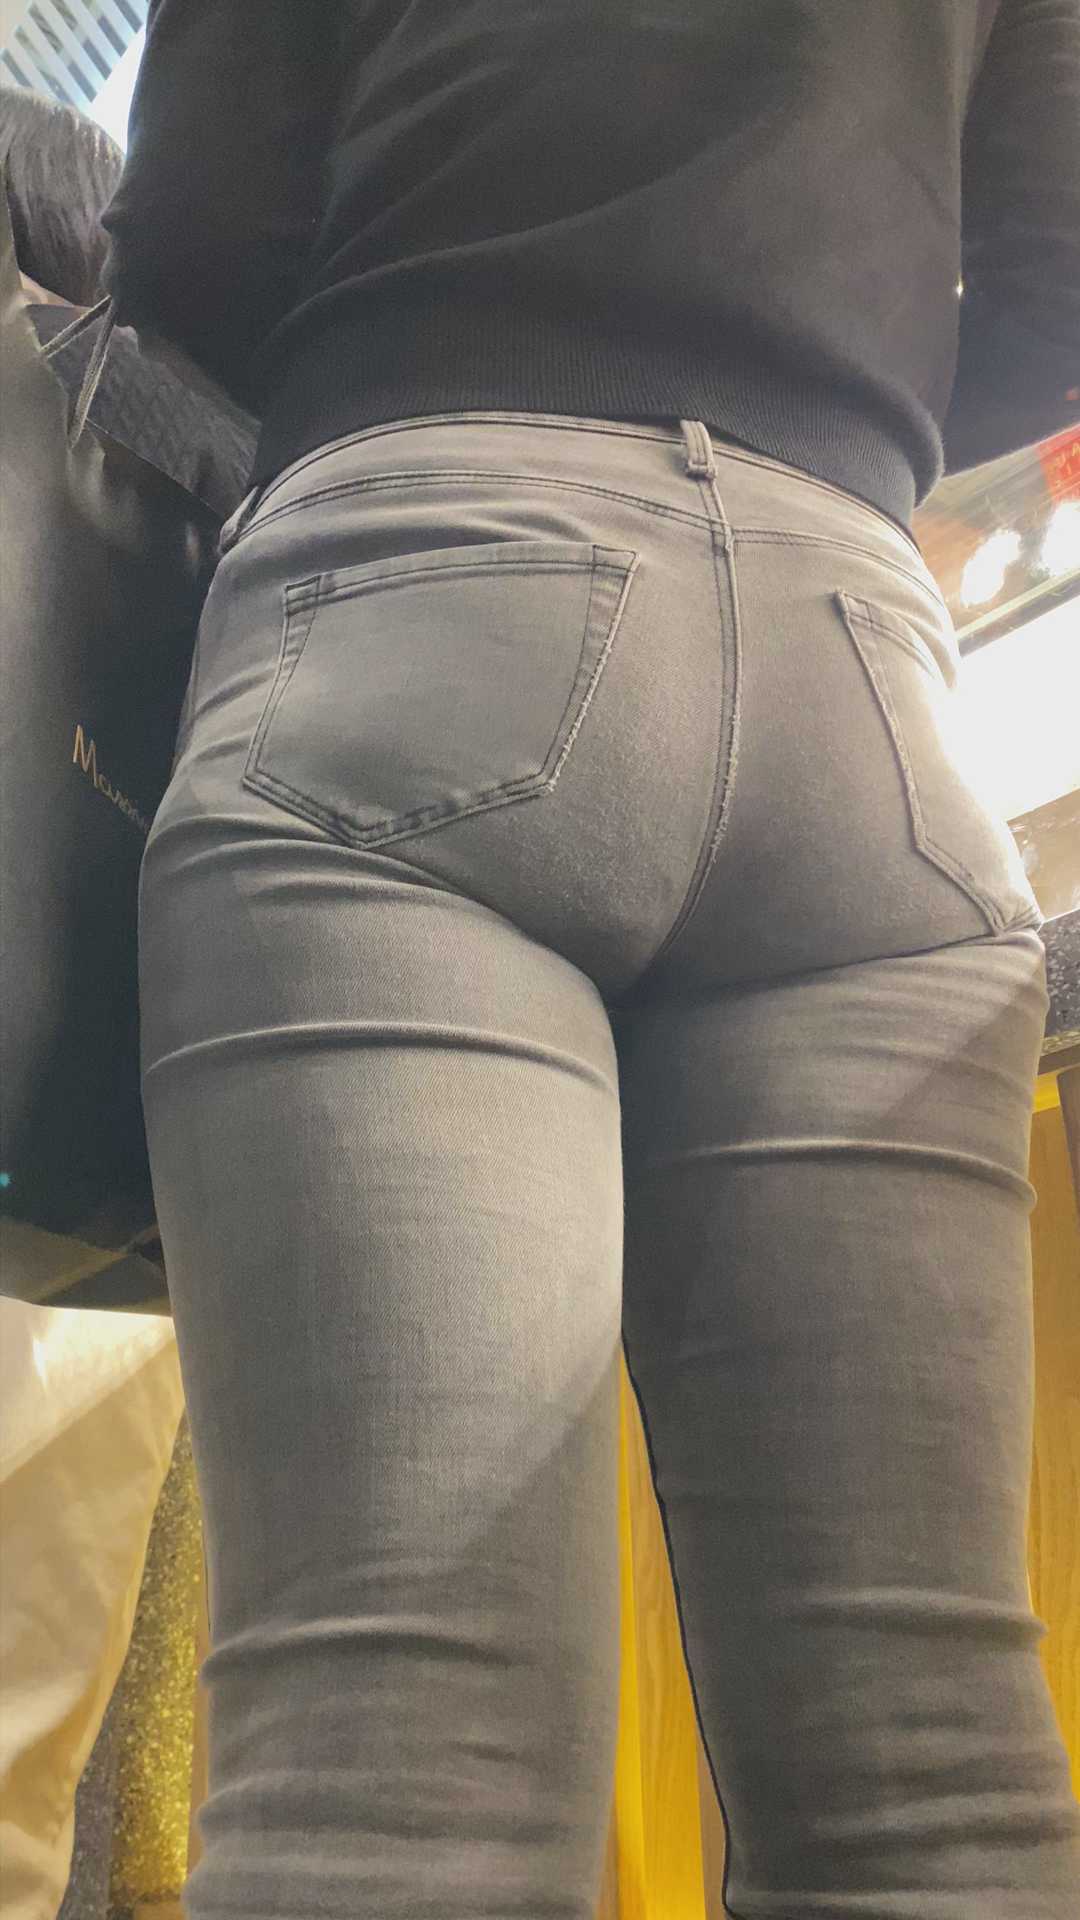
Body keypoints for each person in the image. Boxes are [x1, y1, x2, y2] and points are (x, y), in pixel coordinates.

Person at [100, 4, 1080, 1916]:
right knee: (930, 1782)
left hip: (421, 585)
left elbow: (193, 239)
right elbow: (1055, 269)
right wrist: (814, 386)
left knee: (395, 1778)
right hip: (862, 680)